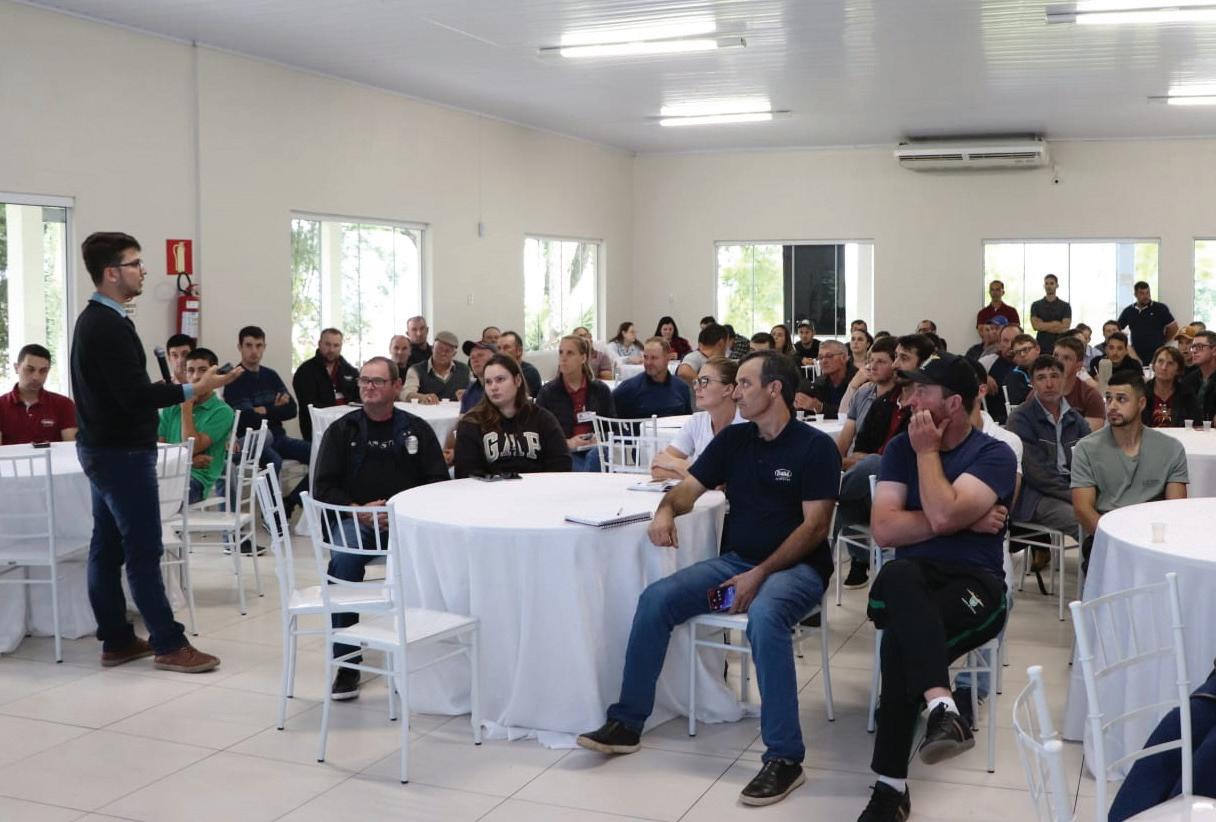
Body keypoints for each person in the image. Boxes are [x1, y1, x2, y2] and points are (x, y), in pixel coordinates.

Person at [578, 351, 840, 807]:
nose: (736, 392)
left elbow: (815, 528)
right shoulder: (734, 441)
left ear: (774, 389)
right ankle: (627, 722)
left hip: (797, 570)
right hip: (737, 566)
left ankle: (784, 757)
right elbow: (687, 491)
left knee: (766, 618)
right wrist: (665, 511)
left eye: (745, 383)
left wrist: (758, 575)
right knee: (657, 599)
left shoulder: (814, 448)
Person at [71, 231, 240, 673]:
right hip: (121, 454)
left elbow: (124, 391)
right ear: (112, 273)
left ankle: (117, 639)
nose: (143, 270)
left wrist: (189, 388)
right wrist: (193, 388)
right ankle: (168, 643)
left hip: (106, 449)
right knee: (143, 549)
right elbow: (133, 396)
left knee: (108, 547)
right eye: (135, 263)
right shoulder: (105, 325)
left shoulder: (100, 320)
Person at [859, 354, 1014, 821]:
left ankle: (890, 789)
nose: (910, 400)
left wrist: (928, 456)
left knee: (903, 642)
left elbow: (943, 515)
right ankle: (944, 707)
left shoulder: (994, 455)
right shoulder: (899, 449)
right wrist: (964, 519)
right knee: (900, 576)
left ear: (953, 404)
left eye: (922, 392)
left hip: (975, 587)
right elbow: (885, 530)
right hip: (910, 581)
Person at [313, 356, 448, 698]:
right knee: (343, 560)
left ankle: (425, 652)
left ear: (397, 386)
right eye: (364, 381)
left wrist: (401, 510)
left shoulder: (416, 429)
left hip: (406, 522)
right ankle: (347, 662)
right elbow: (323, 488)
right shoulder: (342, 431)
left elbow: (437, 482)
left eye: (377, 381)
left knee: (434, 561)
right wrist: (358, 511)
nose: (369, 387)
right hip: (357, 520)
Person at [951, 358, 1024, 727]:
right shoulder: (928, 438)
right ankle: (916, 684)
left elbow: (1000, 514)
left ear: (978, 392)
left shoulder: (1005, 442)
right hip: (936, 539)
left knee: (998, 595)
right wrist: (965, 516)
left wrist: (949, 514)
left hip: (988, 546)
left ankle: (969, 688)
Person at [834, 334, 933, 589]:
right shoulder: (884, 403)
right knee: (856, 488)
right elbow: (860, 447)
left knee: (874, 465)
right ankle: (858, 559)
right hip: (871, 486)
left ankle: (827, 495)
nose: (896, 364)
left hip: (908, 489)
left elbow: (901, 459)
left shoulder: (928, 407)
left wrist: (867, 460)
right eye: (896, 357)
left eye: (903, 358)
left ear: (923, 365)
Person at [1071, 370, 1188, 572]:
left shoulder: (1171, 448)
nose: (1112, 406)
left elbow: (1176, 509)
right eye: (1109, 399)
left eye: (1122, 399)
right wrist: (1116, 540)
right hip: (1107, 536)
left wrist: (1156, 542)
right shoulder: (1086, 448)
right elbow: (1082, 509)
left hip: (1156, 538)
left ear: (1141, 403)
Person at [1007, 355, 1090, 572]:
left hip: (1072, 488)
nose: (1049, 383)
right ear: (1032, 383)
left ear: (1064, 379)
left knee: (1112, 514)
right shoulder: (1021, 419)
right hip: (1035, 496)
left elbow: (1092, 460)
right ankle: (1094, 585)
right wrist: (1078, 496)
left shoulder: (1075, 418)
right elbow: (1037, 474)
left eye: (1054, 376)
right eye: (1041, 378)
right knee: (1085, 522)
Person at [453, 353, 571, 478]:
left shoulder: (543, 419)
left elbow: (561, 466)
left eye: (500, 380)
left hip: (536, 487)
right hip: (489, 489)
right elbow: (466, 474)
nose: (493, 387)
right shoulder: (471, 423)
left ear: (518, 380)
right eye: (488, 382)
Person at [224, 325, 311, 476]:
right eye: (249, 345)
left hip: (279, 438)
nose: (254, 351)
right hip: (254, 442)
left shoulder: (271, 375)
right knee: (274, 462)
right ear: (240, 347)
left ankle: (299, 492)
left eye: (259, 346)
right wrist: (275, 408)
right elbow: (247, 419)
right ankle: (271, 494)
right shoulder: (234, 379)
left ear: (264, 347)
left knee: (319, 452)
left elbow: (292, 410)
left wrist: (264, 409)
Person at [157, 347, 236, 503]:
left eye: (203, 370)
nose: (196, 376)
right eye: (190, 371)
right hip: (164, 473)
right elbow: (160, 449)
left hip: (194, 480)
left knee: (155, 502)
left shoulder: (222, 411)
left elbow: (191, 447)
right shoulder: (171, 406)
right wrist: (190, 461)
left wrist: (186, 408)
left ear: (214, 375)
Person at [651, 357, 743, 480]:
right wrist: (702, 474)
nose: (696, 387)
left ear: (728, 389)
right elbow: (657, 468)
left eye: (705, 381)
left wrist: (677, 464)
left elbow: (730, 480)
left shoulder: (747, 426)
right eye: (697, 381)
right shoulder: (696, 422)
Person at [536, 335, 615, 472]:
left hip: (597, 449)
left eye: (570, 353)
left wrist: (599, 438)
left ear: (583, 358)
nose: (563, 358)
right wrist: (567, 443)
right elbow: (538, 433)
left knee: (595, 455)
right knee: (581, 463)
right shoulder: (548, 392)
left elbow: (614, 427)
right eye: (561, 352)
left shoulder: (600, 390)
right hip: (565, 451)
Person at [0, 343, 77, 445]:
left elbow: (71, 448)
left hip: (55, 456)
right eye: (30, 369)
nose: (36, 377)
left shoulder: (64, 404)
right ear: (16, 368)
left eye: (43, 371)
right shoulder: (1, 406)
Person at [292, 328, 359, 441]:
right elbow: (309, 404)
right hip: (319, 430)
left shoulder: (351, 371)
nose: (331, 349)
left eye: (336, 345)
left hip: (350, 428)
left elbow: (359, 399)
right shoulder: (305, 371)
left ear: (341, 347)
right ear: (319, 344)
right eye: (327, 344)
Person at [612, 337, 691, 419]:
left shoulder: (682, 388)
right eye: (645, 357)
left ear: (667, 358)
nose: (648, 362)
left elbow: (688, 421)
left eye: (654, 358)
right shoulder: (628, 389)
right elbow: (610, 420)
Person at [1051, 336, 1106, 431]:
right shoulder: (1039, 393)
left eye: (1066, 358)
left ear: (1079, 366)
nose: (1058, 362)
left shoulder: (1091, 397)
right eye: (1055, 356)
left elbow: (1089, 436)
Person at [401, 330, 471, 403]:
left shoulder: (464, 370)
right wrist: (422, 397)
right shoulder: (416, 369)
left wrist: (468, 395)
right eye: (439, 349)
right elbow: (405, 394)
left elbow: (473, 392)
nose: (443, 353)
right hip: (425, 409)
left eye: (447, 351)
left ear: (454, 354)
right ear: (432, 348)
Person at [1118, 281, 1178, 364]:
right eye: (1142, 293)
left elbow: (1173, 327)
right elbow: (1117, 328)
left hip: (1157, 354)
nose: (1146, 296)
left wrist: (1163, 341)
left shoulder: (1160, 308)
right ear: (1135, 294)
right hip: (1136, 355)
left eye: (1147, 293)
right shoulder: (1129, 311)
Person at [795, 340, 857, 418]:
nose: (823, 361)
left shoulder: (859, 380)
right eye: (820, 357)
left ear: (844, 358)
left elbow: (854, 411)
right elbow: (812, 411)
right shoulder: (820, 382)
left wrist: (821, 407)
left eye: (829, 356)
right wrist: (801, 405)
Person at [1142, 345, 1200, 428]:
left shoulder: (1187, 394)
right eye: (1160, 361)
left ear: (1178, 369)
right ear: (1154, 365)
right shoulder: (1141, 392)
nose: (1164, 367)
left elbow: (1196, 423)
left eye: (1170, 363)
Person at [1030, 274, 1072, 352]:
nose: (1049, 286)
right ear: (1044, 286)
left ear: (1057, 285)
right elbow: (1035, 326)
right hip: (1041, 346)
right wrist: (1056, 323)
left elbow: (1065, 328)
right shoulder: (1036, 305)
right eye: (1046, 283)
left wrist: (1043, 325)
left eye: (1052, 283)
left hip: (1060, 345)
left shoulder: (1065, 306)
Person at [497, 330, 542, 397]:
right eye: (499, 348)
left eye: (506, 347)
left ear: (519, 351)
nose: (501, 352)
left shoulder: (530, 372)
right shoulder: (497, 371)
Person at [1182, 330, 1216, 418]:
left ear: (1214, 350)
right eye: (1193, 347)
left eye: (1200, 347)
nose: (1194, 351)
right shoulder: (1189, 380)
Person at [459, 339, 496, 414]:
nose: (475, 360)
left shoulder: (503, 388)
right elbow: (463, 417)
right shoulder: (470, 391)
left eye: (480, 355)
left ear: (494, 359)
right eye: (472, 357)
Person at [1003, 333, 1040, 406]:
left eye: (1026, 350)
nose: (1022, 355)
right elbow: (1021, 405)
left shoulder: (1049, 368)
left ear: (1037, 349)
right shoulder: (1014, 377)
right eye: (1018, 352)